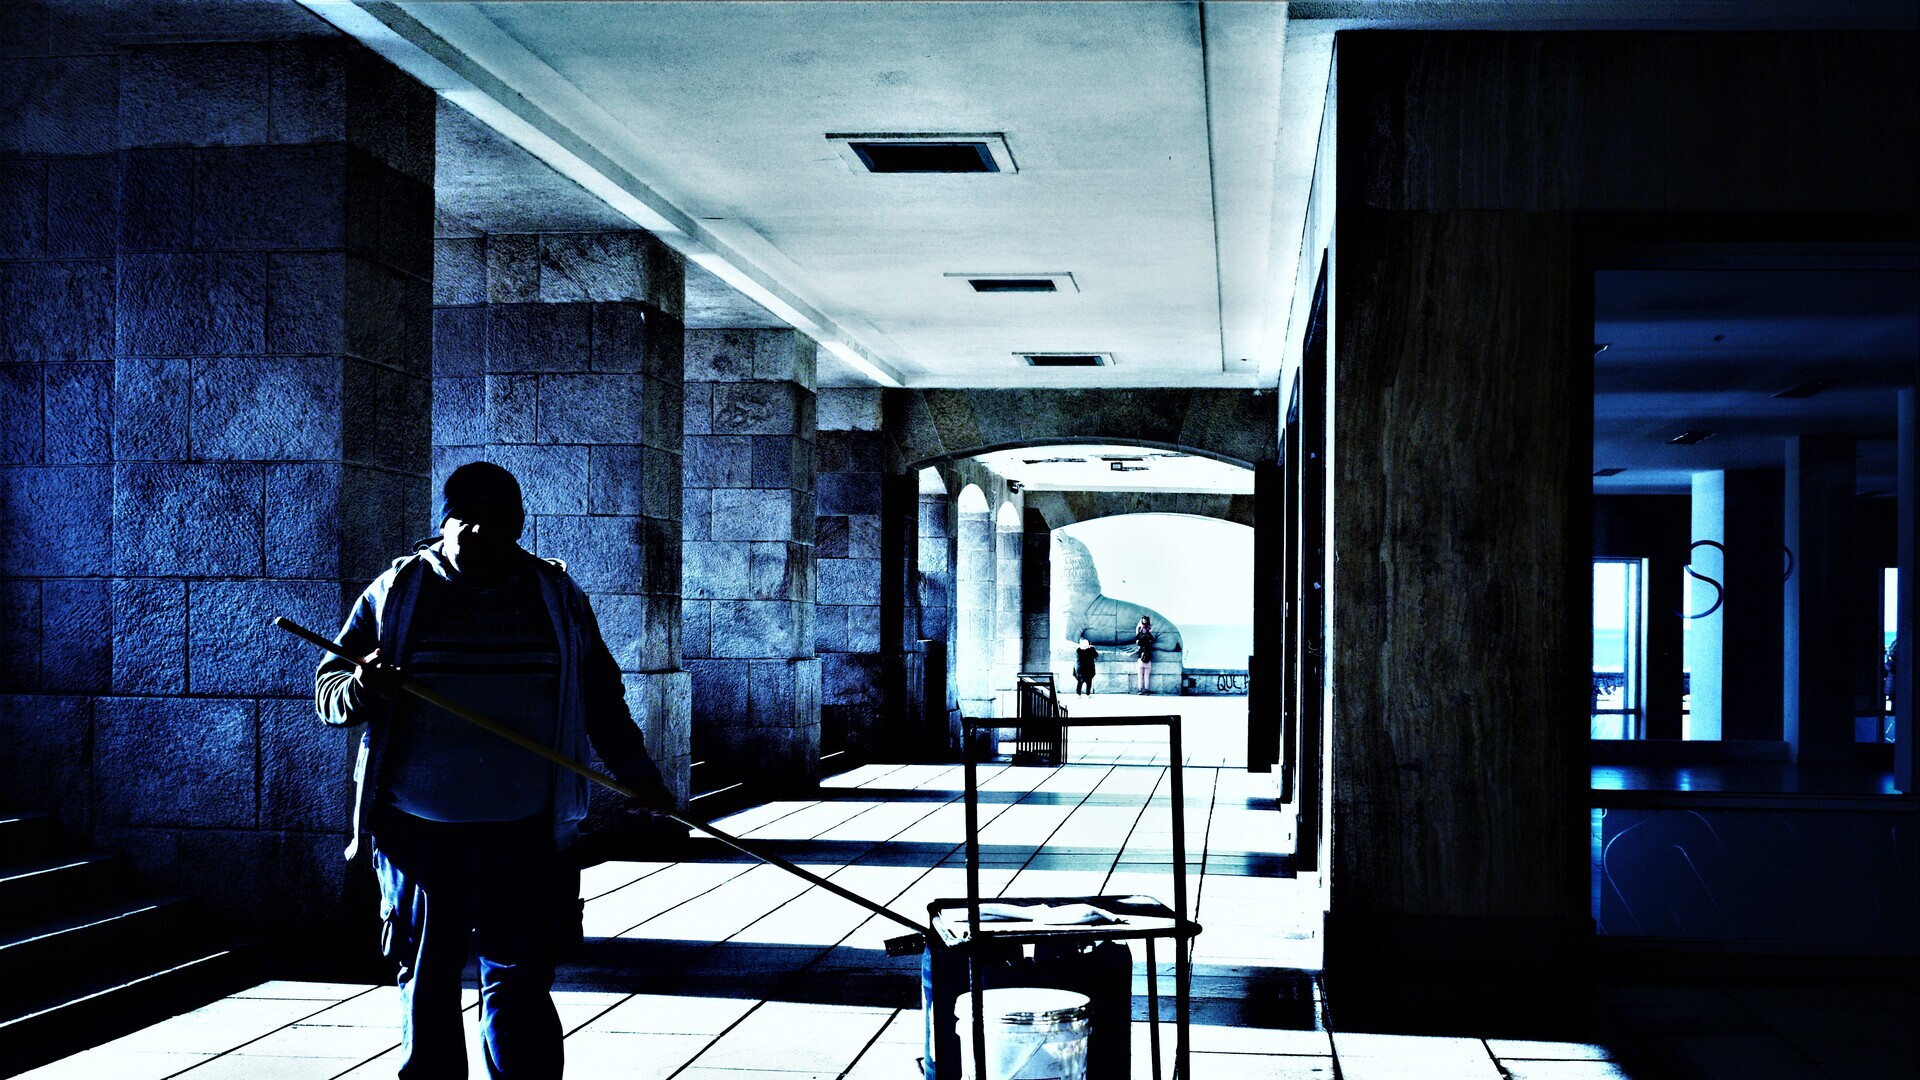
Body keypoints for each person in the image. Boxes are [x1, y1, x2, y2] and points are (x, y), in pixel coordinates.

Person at [314, 461, 674, 1080]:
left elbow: (601, 698)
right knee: (427, 977)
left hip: (526, 832)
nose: (481, 530)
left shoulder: (557, 597)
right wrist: (365, 686)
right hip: (417, 833)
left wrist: (638, 774)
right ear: (443, 524)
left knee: (520, 977)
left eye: (498, 519)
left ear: (519, 527)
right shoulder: (395, 593)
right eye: (466, 517)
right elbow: (330, 694)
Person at [1132, 616, 1156, 695]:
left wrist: (1140, 629)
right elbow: (1152, 641)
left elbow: (1137, 641)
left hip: (1140, 658)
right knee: (1146, 676)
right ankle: (1147, 690)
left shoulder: (1139, 635)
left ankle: (1140, 690)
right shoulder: (1149, 635)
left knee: (1140, 676)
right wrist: (1149, 630)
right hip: (1148, 659)